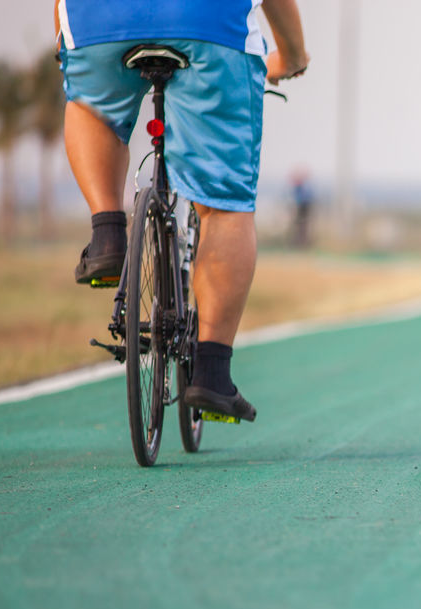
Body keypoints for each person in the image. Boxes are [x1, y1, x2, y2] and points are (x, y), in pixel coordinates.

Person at [56, 0, 309, 422]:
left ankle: (107, 234)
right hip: (208, 23)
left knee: (90, 108)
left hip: (98, 18)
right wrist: (294, 56)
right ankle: (211, 374)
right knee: (224, 205)